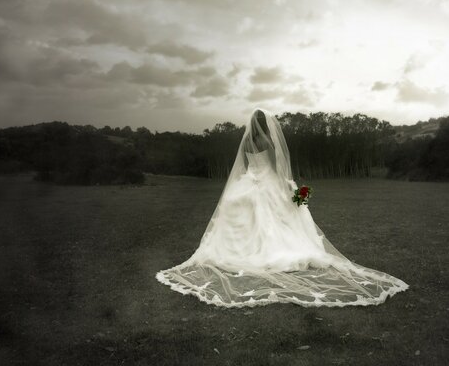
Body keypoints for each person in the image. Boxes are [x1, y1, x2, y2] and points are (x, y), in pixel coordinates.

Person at [156, 108, 408, 307]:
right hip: (268, 183)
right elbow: (278, 167)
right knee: (283, 215)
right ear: (265, 125)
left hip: (248, 183)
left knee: (250, 219)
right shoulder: (268, 141)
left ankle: (243, 252)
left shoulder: (246, 143)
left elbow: (245, 166)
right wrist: (289, 185)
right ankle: (272, 250)